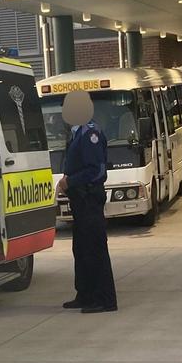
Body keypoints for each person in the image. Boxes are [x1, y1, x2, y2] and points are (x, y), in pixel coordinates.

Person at [57, 90, 117, 314]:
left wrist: (70, 181)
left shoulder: (90, 134)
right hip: (80, 199)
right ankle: (85, 293)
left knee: (95, 249)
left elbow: (96, 171)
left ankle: (104, 298)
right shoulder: (76, 132)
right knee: (81, 248)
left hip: (89, 197)